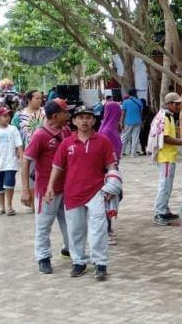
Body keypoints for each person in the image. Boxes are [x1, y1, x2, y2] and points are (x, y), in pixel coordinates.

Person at [47, 106, 120, 281]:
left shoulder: (103, 141)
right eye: (80, 117)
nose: (84, 121)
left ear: (94, 120)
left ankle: (100, 263)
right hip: (72, 192)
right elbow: (57, 167)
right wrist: (50, 187)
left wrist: (113, 182)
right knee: (75, 230)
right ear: (74, 121)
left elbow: (111, 164)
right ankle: (79, 262)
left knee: (98, 229)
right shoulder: (67, 143)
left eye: (88, 117)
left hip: (97, 191)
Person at [20, 98, 73, 275]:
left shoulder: (66, 131)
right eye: (65, 112)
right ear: (56, 115)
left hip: (66, 187)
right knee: (43, 225)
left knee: (70, 222)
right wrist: (25, 190)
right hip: (46, 190)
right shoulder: (40, 135)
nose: (69, 115)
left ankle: (71, 250)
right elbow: (26, 161)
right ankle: (43, 257)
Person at [154, 92, 182, 226]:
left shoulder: (169, 116)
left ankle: (164, 210)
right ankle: (159, 212)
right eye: (177, 104)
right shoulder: (165, 117)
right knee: (164, 186)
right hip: (165, 156)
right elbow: (166, 138)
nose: (179, 106)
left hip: (169, 156)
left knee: (168, 186)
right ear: (170, 104)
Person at [99, 100, 124, 243]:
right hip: (107, 170)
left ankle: (107, 228)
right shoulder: (107, 131)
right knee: (108, 198)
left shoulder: (113, 128)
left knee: (115, 196)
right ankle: (105, 230)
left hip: (113, 168)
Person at [120, 88, 144, 157]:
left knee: (124, 137)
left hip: (128, 122)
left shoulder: (125, 102)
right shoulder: (139, 102)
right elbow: (140, 114)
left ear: (128, 94)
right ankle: (133, 154)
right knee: (135, 138)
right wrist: (141, 122)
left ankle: (121, 153)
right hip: (138, 121)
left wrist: (121, 122)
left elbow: (123, 113)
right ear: (135, 93)